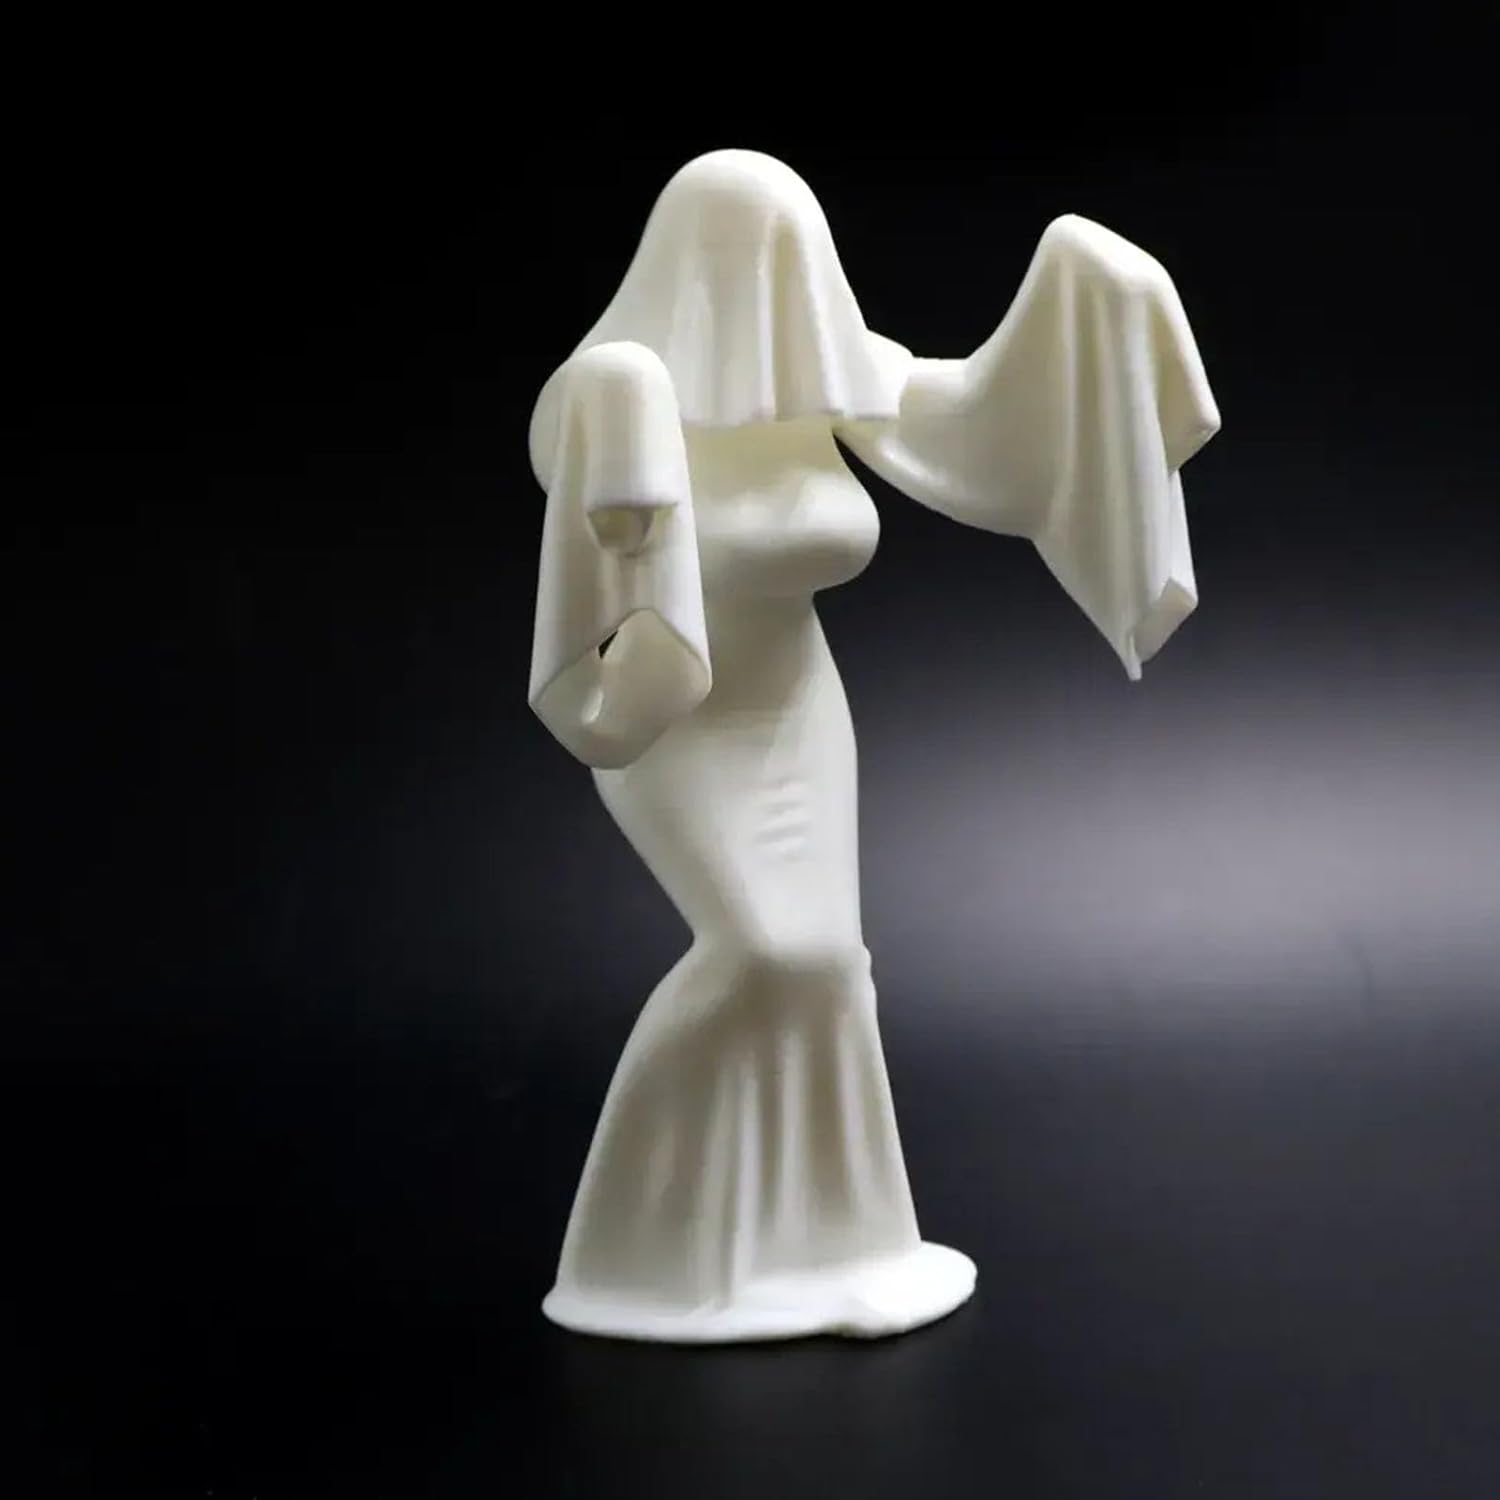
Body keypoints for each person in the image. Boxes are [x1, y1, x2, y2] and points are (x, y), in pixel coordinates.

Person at [525, 148, 1220, 1342]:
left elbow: (987, 428)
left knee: (831, 966)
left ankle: (843, 1246)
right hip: (681, 722)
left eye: (795, 249)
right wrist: (628, 453)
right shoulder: (608, 392)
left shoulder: (832, 384)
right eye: (754, 250)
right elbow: (594, 528)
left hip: (800, 708)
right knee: (766, 953)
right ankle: (643, 1253)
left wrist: (1087, 293)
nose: (781, 280)